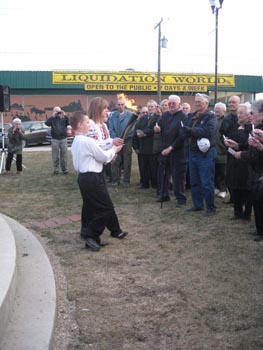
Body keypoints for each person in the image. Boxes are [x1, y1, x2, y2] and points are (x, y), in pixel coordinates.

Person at [70, 111, 128, 251]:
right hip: (92, 178)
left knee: (91, 207)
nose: (89, 124)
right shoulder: (87, 141)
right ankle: (91, 234)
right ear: (79, 124)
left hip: (84, 178)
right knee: (106, 208)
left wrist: (110, 150)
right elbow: (102, 156)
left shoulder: (77, 141)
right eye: (86, 122)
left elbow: (97, 155)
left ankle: (92, 238)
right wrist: (114, 150)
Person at [227, 100, 263, 241]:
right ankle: (259, 230)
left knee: (259, 201)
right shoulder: (257, 127)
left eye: (252, 113)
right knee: (257, 202)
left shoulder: (258, 129)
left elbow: (254, 153)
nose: (250, 116)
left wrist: (240, 154)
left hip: (259, 170)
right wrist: (238, 146)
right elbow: (252, 148)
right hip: (254, 170)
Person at [182, 93, 217, 215]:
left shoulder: (210, 117)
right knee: (194, 181)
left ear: (206, 103)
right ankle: (198, 205)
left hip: (205, 154)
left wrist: (190, 131)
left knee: (206, 182)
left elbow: (208, 131)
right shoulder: (192, 115)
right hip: (192, 152)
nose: (196, 104)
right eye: (196, 101)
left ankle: (210, 207)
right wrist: (187, 131)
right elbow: (184, 129)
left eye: (199, 102)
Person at [154, 95, 188, 206]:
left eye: (173, 103)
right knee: (163, 174)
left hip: (178, 151)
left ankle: (180, 199)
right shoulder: (166, 115)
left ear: (179, 104)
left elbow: (182, 136)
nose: (171, 105)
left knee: (178, 176)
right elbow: (159, 124)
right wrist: (157, 127)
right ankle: (164, 195)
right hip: (164, 150)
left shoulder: (183, 117)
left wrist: (171, 148)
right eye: (169, 103)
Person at [223, 103, 253, 221]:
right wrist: (228, 143)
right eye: (238, 113)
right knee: (234, 186)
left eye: (241, 113)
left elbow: (248, 144)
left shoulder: (251, 128)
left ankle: (246, 214)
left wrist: (238, 144)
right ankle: (237, 212)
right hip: (233, 160)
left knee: (245, 188)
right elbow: (231, 138)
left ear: (248, 115)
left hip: (245, 163)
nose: (238, 115)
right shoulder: (236, 125)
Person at [108, 97, 134, 186]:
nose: (120, 106)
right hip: (116, 141)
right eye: (118, 104)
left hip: (127, 140)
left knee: (127, 161)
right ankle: (115, 180)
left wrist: (124, 137)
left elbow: (132, 128)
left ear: (125, 105)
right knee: (115, 160)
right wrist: (115, 138)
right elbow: (110, 129)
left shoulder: (130, 115)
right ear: (116, 105)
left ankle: (126, 181)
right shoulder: (112, 115)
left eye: (122, 104)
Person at [220, 95, 240, 204]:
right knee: (230, 175)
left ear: (239, 103)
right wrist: (224, 141)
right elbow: (221, 132)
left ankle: (240, 199)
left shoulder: (242, 117)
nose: (231, 104)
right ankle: (232, 197)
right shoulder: (226, 118)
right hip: (229, 150)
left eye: (234, 102)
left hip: (241, 149)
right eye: (230, 102)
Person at [135, 99, 158, 189]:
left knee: (153, 167)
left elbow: (155, 129)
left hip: (153, 146)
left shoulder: (158, 117)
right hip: (143, 146)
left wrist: (144, 133)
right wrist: (138, 133)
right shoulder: (142, 119)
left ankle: (154, 184)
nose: (150, 108)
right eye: (149, 106)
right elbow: (137, 128)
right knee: (144, 167)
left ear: (156, 107)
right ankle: (145, 183)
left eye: (152, 106)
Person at [45, 106, 69, 175]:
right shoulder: (52, 119)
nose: (58, 113)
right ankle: (56, 170)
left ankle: (64, 169)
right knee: (55, 155)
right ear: (53, 111)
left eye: (59, 111)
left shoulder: (64, 118)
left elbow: (69, 122)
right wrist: (52, 116)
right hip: (55, 139)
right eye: (56, 111)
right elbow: (46, 123)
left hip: (63, 139)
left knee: (64, 155)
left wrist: (65, 115)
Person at [214, 102, 228, 198]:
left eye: (219, 108)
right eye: (215, 108)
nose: (216, 110)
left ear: (224, 110)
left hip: (222, 151)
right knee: (214, 171)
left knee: (222, 172)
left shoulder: (226, 120)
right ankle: (217, 188)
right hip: (213, 150)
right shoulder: (212, 119)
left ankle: (223, 189)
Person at [133, 106, 148, 186]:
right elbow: (134, 136)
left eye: (146, 112)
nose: (145, 114)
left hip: (148, 148)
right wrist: (135, 147)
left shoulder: (150, 122)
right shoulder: (138, 122)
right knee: (142, 166)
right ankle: (142, 180)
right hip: (140, 148)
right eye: (143, 112)